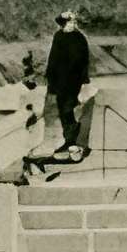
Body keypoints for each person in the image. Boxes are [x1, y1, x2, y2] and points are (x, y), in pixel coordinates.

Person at [0, 51, 43, 181]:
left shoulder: (29, 91)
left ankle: (16, 171)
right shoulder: (18, 91)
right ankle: (12, 172)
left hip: (20, 128)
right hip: (16, 127)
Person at [44, 11, 95, 156]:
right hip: (60, 81)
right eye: (70, 23)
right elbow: (53, 58)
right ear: (63, 24)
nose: (73, 25)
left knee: (68, 109)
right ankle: (70, 140)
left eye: (74, 22)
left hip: (74, 81)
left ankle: (75, 140)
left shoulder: (79, 38)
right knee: (63, 111)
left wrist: (84, 81)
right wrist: (50, 80)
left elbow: (85, 62)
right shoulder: (58, 36)